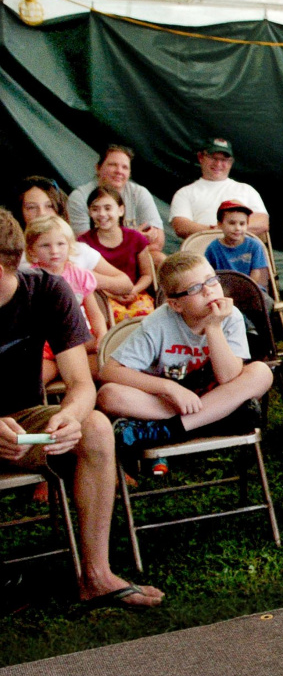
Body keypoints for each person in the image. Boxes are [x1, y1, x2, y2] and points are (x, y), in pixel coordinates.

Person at [0, 209, 164, 609]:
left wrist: (70, 416)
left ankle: (96, 576)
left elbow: (80, 383)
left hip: (21, 419)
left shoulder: (45, 290)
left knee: (93, 426)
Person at [97, 251, 272, 452]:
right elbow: (109, 371)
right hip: (171, 401)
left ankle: (170, 430)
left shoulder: (230, 316)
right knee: (108, 395)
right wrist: (169, 388)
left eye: (212, 281)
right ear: (175, 304)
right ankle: (217, 419)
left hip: (214, 393)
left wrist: (213, 327)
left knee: (261, 372)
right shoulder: (158, 323)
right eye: (195, 288)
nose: (208, 291)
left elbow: (228, 377)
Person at [17, 176, 132, 298]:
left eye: (49, 206)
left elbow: (126, 284)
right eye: (31, 207)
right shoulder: (13, 255)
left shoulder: (78, 249)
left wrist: (85, 278)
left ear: (58, 209)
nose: (41, 213)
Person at [24, 216, 107, 382]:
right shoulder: (29, 280)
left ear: (70, 246)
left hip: (77, 337)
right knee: (35, 375)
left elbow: (95, 314)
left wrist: (102, 336)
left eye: (60, 244)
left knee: (109, 358)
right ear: (32, 250)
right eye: (45, 245)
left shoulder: (80, 275)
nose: (54, 251)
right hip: (44, 343)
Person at [67, 145, 166, 265]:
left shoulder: (139, 193)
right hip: (98, 264)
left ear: (129, 173)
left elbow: (158, 242)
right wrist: (135, 240)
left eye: (124, 167)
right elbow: (85, 249)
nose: (119, 171)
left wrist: (126, 249)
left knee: (160, 259)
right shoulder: (80, 197)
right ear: (98, 168)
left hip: (134, 258)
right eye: (112, 165)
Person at [79, 186, 154, 323]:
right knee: (113, 316)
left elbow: (147, 275)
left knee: (146, 316)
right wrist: (112, 295)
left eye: (108, 208)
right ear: (89, 212)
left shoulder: (136, 238)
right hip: (102, 297)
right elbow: (87, 281)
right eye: (95, 209)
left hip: (136, 293)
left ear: (121, 210)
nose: (102, 214)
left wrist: (134, 290)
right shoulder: (83, 243)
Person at [169, 138, 269, 240]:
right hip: (202, 250)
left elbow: (262, 222)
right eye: (213, 158)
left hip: (241, 251)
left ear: (231, 162)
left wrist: (224, 229)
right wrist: (217, 231)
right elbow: (181, 226)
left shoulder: (246, 190)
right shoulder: (184, 193)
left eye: (224, 160)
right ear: (200, 157)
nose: (218, 164)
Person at [204, 201, 271, 296]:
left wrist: (245, 291)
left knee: (266, 302)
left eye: (242, 224)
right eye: (232, 223)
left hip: (252, 289)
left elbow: (256, 274)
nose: (237, 228)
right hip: (224, 291)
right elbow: (208, 275)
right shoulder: (213, 248)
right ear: (220, 224)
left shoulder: (254, 246)